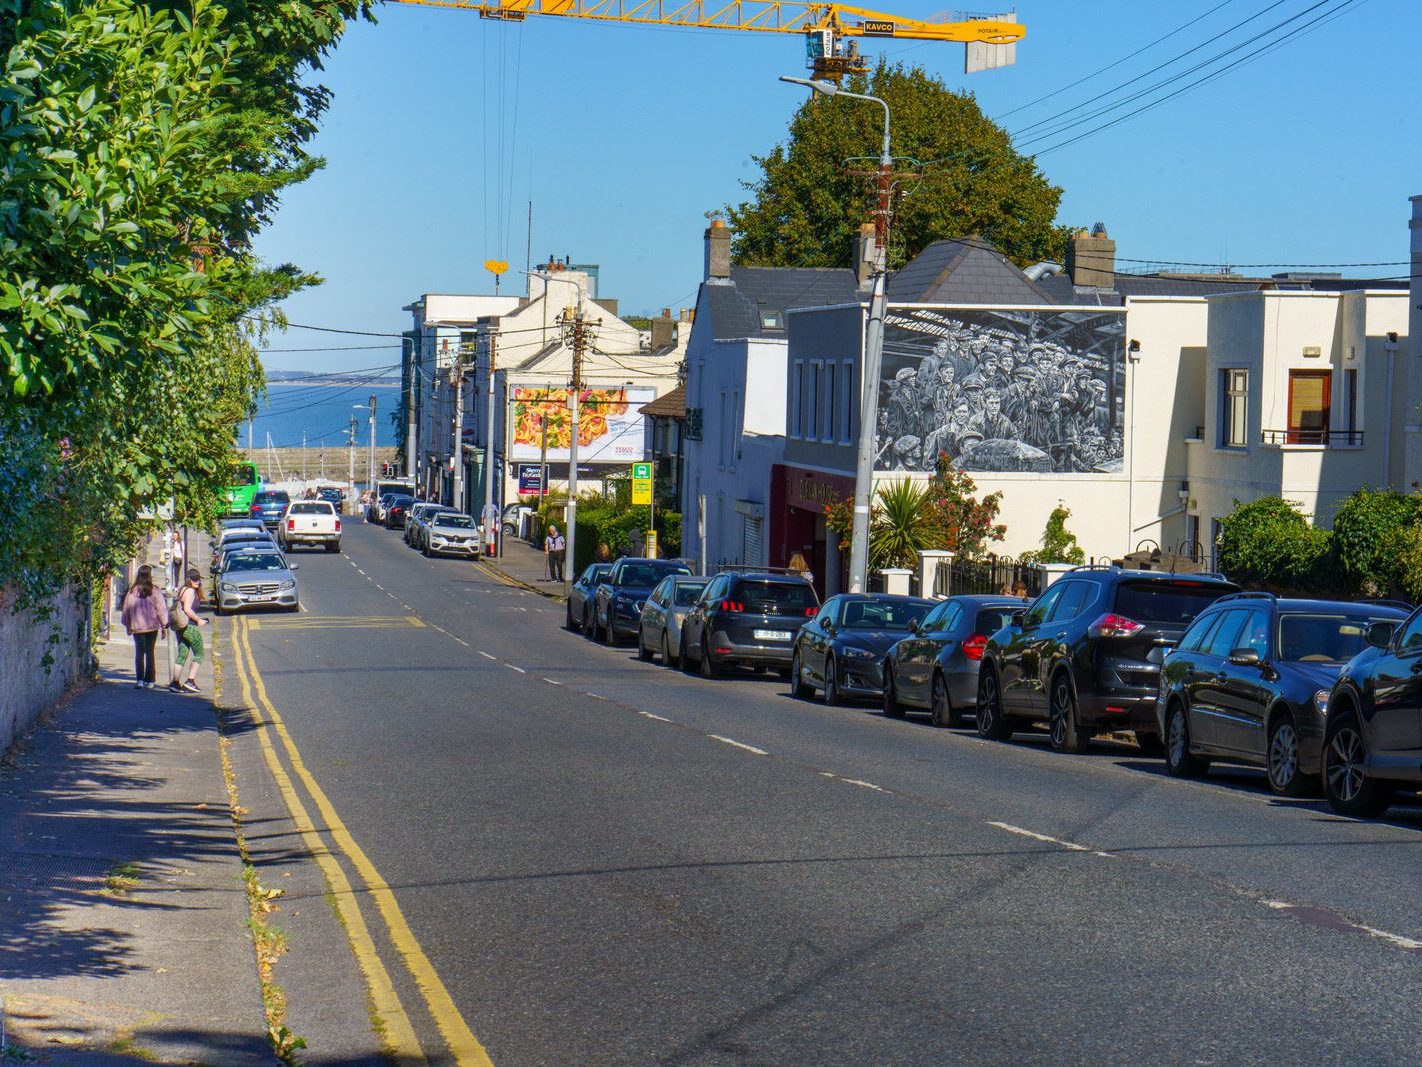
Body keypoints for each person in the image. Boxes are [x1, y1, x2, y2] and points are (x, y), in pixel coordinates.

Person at [121, 564, 168, 690]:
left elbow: (126, 609)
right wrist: (164, 625)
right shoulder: (155, 591)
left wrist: (127, 624)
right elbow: (161, 610)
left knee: (139, 653)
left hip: (137, 627)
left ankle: (140, 680)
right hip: (152, 627)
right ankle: (150, 680)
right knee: (150, 652)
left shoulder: (132, 592)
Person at [168, 568, 209, 693]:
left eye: (199, 579)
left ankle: (175, 683)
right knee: (199, 653)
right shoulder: (190, 591)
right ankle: (190, 681)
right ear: (189, 580)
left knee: (182, 654)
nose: (197, 582)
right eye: (195, 579)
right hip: (189, 626)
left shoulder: (183, 589)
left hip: (180, 627)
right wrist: (198, 620)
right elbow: (187, 609)